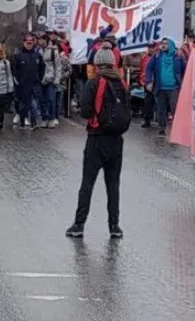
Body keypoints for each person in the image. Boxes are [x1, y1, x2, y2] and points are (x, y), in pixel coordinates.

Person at [66, 47, 130, 239]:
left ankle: (79, 225)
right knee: (113, 185)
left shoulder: (94, 83)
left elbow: (85, 111)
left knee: (87, 183)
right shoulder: (122, 83)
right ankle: (114, 226)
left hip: (96, 137)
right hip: (117, 140)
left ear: (97, 64)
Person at [144, 37, 186, 136]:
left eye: (166, 43)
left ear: (171, 45)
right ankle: (162, 128)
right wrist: (149, 81)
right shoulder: (157, 56)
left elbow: (185, 68)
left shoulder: (177, 57)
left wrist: (183, 58)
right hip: (160, 87)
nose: (163, 45)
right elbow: (149, 68)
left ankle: (177, 129)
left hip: (173, 88)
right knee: (161, 109)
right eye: (163, 43)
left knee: (174, 108)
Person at [11, 33, 45, 130]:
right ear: (24, 43)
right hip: (23, 84)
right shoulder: (18, 55)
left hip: (34, 83)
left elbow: (42, 68)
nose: (29, 45)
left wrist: (39, 79)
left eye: (30, 43)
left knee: (34, 104)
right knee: (23, 104)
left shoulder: (37, 55)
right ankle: (22, 121)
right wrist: (18, 80)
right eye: (27, 43)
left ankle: (34, 122)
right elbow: (15, 69)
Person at [39, 33, 61, 128]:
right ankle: (44, 119)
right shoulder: (38, 51)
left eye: (41, 39)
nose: (39, 41)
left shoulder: (53, 52)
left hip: (50, 79)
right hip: (40, 79)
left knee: (51, 99)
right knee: (42, 101)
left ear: (45, 40)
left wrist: (57, 79)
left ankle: (52, 119)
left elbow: (58, 66)